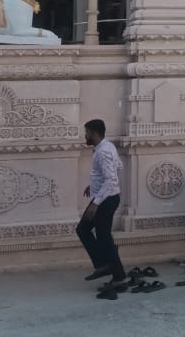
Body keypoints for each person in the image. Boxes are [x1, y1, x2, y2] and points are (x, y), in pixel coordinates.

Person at [78, 119, 127, 289]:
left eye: (87, 132)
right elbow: (118, 166)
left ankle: (119, 277)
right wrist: (93, 185)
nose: (85, 136)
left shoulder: (103, 152)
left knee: (102, 237)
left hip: (105, 200)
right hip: (105, 197)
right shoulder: (107, 147)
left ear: (94, 133)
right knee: (86, 230)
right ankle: (104, 266)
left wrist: (95, 204)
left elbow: (111, 179)